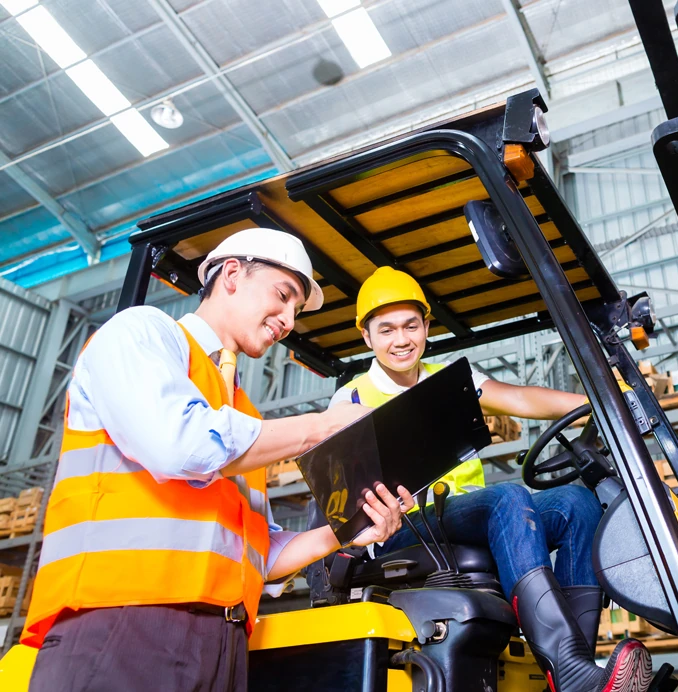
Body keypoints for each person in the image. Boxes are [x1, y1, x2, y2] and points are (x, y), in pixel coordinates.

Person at [23, 230, 414, 692]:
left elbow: (258, 553)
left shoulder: (243, 416)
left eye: (295, 310)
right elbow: (178, 445)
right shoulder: (141, 333)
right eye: (283, 295)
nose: (289, 320)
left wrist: (346, 531)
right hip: (124, 626)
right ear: (231, 274)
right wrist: (321, 426)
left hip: (222, 640)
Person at [328, 267, 652, 692]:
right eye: (386, 330)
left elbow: (518, 397)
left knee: (576, 505)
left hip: (464, 515)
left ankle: (576, 669)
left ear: (426, 326)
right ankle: (566, 665)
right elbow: (340, 493)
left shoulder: (449, 380)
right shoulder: (350, 398)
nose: (401, 339)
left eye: (411, 325)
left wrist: (605, 403)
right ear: (367, 337)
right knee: (508, 498)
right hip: (400, 527)